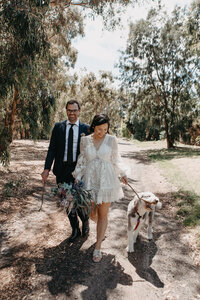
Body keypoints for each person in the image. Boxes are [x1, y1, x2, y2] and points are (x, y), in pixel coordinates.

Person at [72, 114, 128, 262]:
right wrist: (78, 177)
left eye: (105, 129)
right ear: (93, 127)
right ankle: (101, 229)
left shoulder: (111, 140)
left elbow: (116, 159)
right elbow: (82, 160)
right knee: (91, 212)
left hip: (106, 181)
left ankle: (98, 247)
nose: (102, 132)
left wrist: (122, 174)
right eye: (99, 129)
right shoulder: (85, 140)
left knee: (103, 214)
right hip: (90, 181)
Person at [41, 99, 90, 242]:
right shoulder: (58, 127)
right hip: (62, 170)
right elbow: (52, 149)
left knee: (80, 202)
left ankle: (85, 222)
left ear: (79, 111)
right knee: (67, 202)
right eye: (69, 110)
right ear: (66, 111)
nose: (72, 113)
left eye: (74, 110)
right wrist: (46, 169)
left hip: (79, 171)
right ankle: (75, 229)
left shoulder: (85, 129)